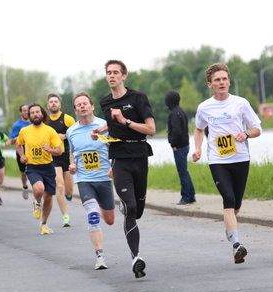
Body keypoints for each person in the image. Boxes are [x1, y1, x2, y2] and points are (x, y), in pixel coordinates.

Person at [192, 63, 262, 264]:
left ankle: (230, 231)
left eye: (224, 79)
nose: (221, 82)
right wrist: (197, 149)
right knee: (228, 199)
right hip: (218, 160)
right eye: (217, 80)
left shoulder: (240, 103)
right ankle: (236, 244)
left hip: (240, 158)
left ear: (229, 81)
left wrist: (246, 133)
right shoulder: (204, 107)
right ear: (210, 85)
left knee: (236, 203)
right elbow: (198, 129)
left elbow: (257, 128)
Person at [97, 59, 156, 278]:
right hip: (119, 159)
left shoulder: (138, 98)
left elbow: (151, 129)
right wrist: (102, 131)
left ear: (124, 76)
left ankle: (128, 207)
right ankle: (136, 258)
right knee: (130, 207)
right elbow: (111, 123)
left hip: (139, 156)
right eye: (108, 72)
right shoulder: (105, 102)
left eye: (116, 72)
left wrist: (125, 121)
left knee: (137, 210)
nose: (112, 76)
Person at [67, 92, 115, 270]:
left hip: (104, 178)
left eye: (85, 103)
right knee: (93, 214)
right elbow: (72, 151)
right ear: (75, 110)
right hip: (84, 179)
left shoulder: (104, 125)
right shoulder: (71, 130)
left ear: (92, 106)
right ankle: (100, 256)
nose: (82, 106)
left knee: (109, 220)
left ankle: (101, 208)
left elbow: (115, 147)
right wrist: (72, 164)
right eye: (78, 105)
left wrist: (114, 166)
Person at [16, 103, 63, 234]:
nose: (35, 114)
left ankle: (44, 224)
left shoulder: (50, 131)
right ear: (29, 116)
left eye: (37, 112)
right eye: (32, 113)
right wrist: (22, 155)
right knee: (39, 188)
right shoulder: (24, 131)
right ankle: (37, 203)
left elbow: (59, 151)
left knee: (48, 198)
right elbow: (18, 145)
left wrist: (50, 150)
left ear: (42, 114)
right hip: (33, 167)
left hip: (48, 167)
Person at [47, 93, 76, 227]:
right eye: (51, 102)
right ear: (48, 105)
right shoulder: (44, 121)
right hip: (52, 157)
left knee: (69, 190)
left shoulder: (68, 119)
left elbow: (75, 136)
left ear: (60, 104)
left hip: (67, 156)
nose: (53, 103)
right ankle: (65, 216)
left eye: (56, 101)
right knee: (59, 185)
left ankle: (69, 195)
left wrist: (64, 136)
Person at [165, 90, 196, 205]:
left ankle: (186, 197)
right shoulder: (181, 111)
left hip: (179, 147)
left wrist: (174, 145)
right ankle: (191, 195)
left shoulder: (174, 113)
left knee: (182, 172)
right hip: (185, 145)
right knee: (184, 171)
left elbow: (176, 131)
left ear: (169, 101)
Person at [9, 104, 31, 200]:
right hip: (21, 151)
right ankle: (25, 186)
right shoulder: (17, 125)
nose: (26, 112)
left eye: (27, 110)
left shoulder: (33, 122)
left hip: (32, 151)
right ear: (21, 112)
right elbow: (12, 141)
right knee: (23, 173)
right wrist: (21, 136)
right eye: (24, 110)